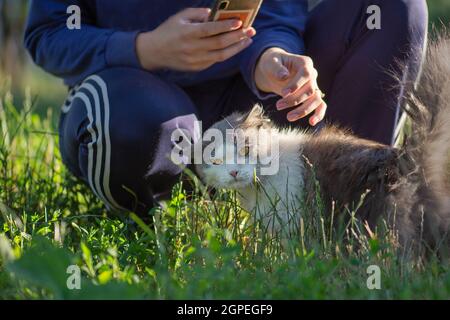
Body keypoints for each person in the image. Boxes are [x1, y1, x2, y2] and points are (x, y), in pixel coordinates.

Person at [24, 0, 428, 215]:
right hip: (143, 104)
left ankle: (359, 201)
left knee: (392, 6)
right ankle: (159, 214)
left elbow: (274, 11)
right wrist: (143, 48)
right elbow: (49, 32)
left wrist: (270, 58)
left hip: (253, 114)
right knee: (130, 120)